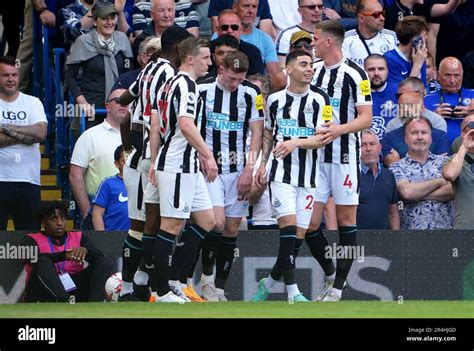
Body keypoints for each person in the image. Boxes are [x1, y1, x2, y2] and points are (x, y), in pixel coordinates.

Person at [117, 25, 193, 301]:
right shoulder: (171, 76)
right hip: (151, 156)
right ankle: (134, 286)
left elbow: (123, 107)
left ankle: (144, 280)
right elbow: (156, 120)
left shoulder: (148, 69)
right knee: (145, 225)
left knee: (156, 221)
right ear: (179, 47)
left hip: (141, 153)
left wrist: (127, 146)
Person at [250, 50, 330, 302]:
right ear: (289, 69)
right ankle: (293, 293)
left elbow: (322, 139)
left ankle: (270, 281)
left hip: (308, 176)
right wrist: (262, 164)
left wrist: (295, 142)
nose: (309, 69)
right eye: (303, 64)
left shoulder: (321, 99)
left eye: (311, 66)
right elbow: (268, 135)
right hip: (281, 173)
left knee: (297, 236)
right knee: (288, 227)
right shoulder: (273, 100)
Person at [148, 37, 217, 303]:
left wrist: (154, 160)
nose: (209, 63)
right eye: (205, 58)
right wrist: (207, 154)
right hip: (178, 163)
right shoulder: (186, 86)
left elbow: (155, 125)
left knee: (207, 220)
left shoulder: (168, 84)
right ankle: (161, 290)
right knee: (171, 225)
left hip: (182, 163)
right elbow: (187, 125)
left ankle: (174, 279)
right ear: (190, 59)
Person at [308, 20, 373, 302]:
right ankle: (331, 271)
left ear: (329, 42)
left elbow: (366, 118)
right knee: (309, 225)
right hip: (315, 156)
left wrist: (338, 129)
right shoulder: (315, 72)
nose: (312, 44)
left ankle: (337, 288)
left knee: (346, 221)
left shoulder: (356, 74)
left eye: (315, 39)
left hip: (344, 157)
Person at [196, 51, 264, 301]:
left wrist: (249, 169)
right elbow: (190, 126)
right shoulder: (201, 89)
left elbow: (257, 132)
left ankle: (220, 288)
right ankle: (206, 279)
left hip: (238, 170)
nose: (235, 84)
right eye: (231, 78)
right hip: (210, 167)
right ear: (220, 68)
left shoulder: (252, 93)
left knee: (232, 230)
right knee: (217, 223)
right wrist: (203, 156)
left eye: (240, 79)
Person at [22, 201, 112, 302]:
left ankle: (95, 304)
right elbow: (30, 258)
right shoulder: (31, 239)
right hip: (44, 289)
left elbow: (98, 255)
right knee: (42, 261)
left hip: (73, 285)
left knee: (103, 262)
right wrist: (64, 255)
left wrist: (86, 251)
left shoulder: (78, 236)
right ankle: (63, 301)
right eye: (53, 219)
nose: (59, 223)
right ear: (43, 222)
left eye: (63, 219)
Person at [65, 1, 134, 129]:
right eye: (104, 18)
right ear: (95, 21)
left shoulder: (122, 39)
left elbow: (127, 75)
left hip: (119, 106)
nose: (110, 22)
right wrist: (83, 103)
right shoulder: (83, 42)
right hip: (92, 107)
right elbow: (70, 77)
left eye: (112, 18)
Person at [0, 56, 47, 230]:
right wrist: (26, 134)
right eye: (5, 75)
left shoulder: (32, 102)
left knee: (30, 241)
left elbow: (40, 133)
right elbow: (32, 134)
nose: (11, 79)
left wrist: (5, 127)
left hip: (28, 181)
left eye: (14, 75)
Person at [69, 88, 128, 229]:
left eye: (128, 101)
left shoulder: (142, 136)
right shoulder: (90, 136)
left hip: (134, 211)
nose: (124, 104)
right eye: (119, 101)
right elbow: (75, 175)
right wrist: (86, 211)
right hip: (99, 210)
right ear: (107, 106)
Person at [389, 116, 455, 229]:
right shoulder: (396, 167)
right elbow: (407, 192)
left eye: (424, 132)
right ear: (406, 139)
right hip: (412, 238)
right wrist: (439, 181)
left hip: (446, 235)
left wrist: (417, 193)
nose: (419, 137)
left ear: (430, 138)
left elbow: (453, 191)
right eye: (414, 133)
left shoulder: (446, 162)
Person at [381, 91, 450, 167]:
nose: (406, 110)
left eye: (410, 106)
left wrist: (401, 163)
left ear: (422, 108)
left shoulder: (439, 136)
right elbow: (392, 166)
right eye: (402, 107)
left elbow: (443, 167)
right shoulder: (389, 137)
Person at [424, 57, 474, 144]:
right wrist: (434, 117)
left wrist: (471, 113)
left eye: (456, 75)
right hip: (437, 152)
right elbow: (415, 128)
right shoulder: (426, 99)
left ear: (462, 75)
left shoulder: (473, 95)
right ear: (438, 75)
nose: (452, 80)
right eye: (447, 75)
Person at [357, 129, 399, 229]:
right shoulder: (349, 176)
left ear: (379, 147)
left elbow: (393, 214)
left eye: (372, 144)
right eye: (362, 145)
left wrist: (397, 240)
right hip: (355, 239)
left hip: (383, 240)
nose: (368, 149)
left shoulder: (389, 176)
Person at [342, 0, 398, 68]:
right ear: (361, 18)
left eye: (383, 13)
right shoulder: (345, 40)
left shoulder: (393, 38)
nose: (382, 18)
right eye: (376, 15)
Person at [443, 115, 474, 230]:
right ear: (462, 133)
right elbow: (450, 174)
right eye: (472, 125)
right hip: (466, 228)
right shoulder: (454, 160)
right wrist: (464, 147)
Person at [213, 9, 265, 75]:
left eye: (234, 27)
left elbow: (257, 81)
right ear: (217, 30)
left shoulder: (253, 52)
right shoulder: (208, 49)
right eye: (225, 27)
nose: (229, 30)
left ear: (240, 29)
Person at [92, 145, 130, 231]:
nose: (129, 164)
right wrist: (103, 239)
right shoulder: (108, 183)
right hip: (113, 238)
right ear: (117, 164)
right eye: (125, 161)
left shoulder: (144, 183)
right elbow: (97, 215)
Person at [383, 16, 428, 89]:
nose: (426, 39)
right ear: (415, 40)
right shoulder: (389, 59)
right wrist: (417, 65)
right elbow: (403, 93)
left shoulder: (420, 56)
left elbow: (424, 89)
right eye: (424, 36)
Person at [276, 0, 323, 67]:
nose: (317, 10)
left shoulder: (331, 33)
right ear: (300, 11)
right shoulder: (287, 35)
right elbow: (283, 69)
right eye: (311, 7)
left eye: (320, 6)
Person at [364, 54, 398, 139]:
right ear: (364, 72)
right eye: (371, 69)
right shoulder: (356, 94)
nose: (376, 73)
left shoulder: (400, 92)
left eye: (381, 69)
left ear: (387, 71)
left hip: (394, 148)